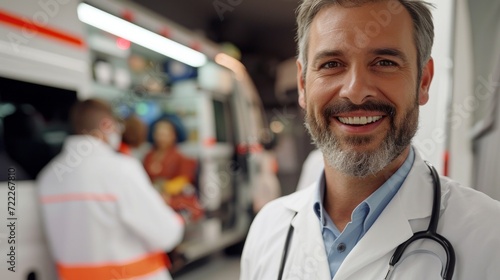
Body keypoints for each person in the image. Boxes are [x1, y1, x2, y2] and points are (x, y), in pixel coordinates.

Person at [240, 1, 500, 279]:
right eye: (331, 64)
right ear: (303, 84)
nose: (355, 91)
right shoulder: (267, 229)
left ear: (423, 81)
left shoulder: (489, 236)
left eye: (385, 62)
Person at [37, 98, 184, 280]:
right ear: (106, 126)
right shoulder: (120, 170)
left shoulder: (48, 177)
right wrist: (175, 218)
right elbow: (165, 233)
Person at [143, 115, 203, 223]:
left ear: (174, 136)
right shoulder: (148, 157)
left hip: (174, 203)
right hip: (152, 201)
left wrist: (161, 189)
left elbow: (182, 184)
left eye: (165, 134)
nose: (161, 138)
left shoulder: (182, 158)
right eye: (158, 134)